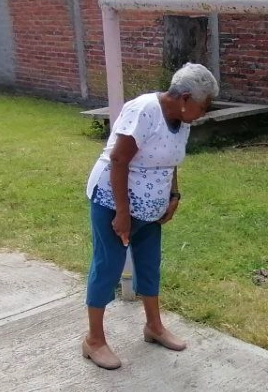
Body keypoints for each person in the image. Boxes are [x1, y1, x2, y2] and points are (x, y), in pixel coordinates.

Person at [81, 63, 219, 370]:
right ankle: (94, 340)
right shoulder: (144, 110)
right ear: (184, 98)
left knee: (149, 264)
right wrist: (122, 213)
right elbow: (118, 159)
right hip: (113, 202)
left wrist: (173, 195)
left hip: (151, 211)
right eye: (203, 106)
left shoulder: (182, 120)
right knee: (108, 266)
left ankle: (154, 327)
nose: (204, 112)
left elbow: (171, 160)